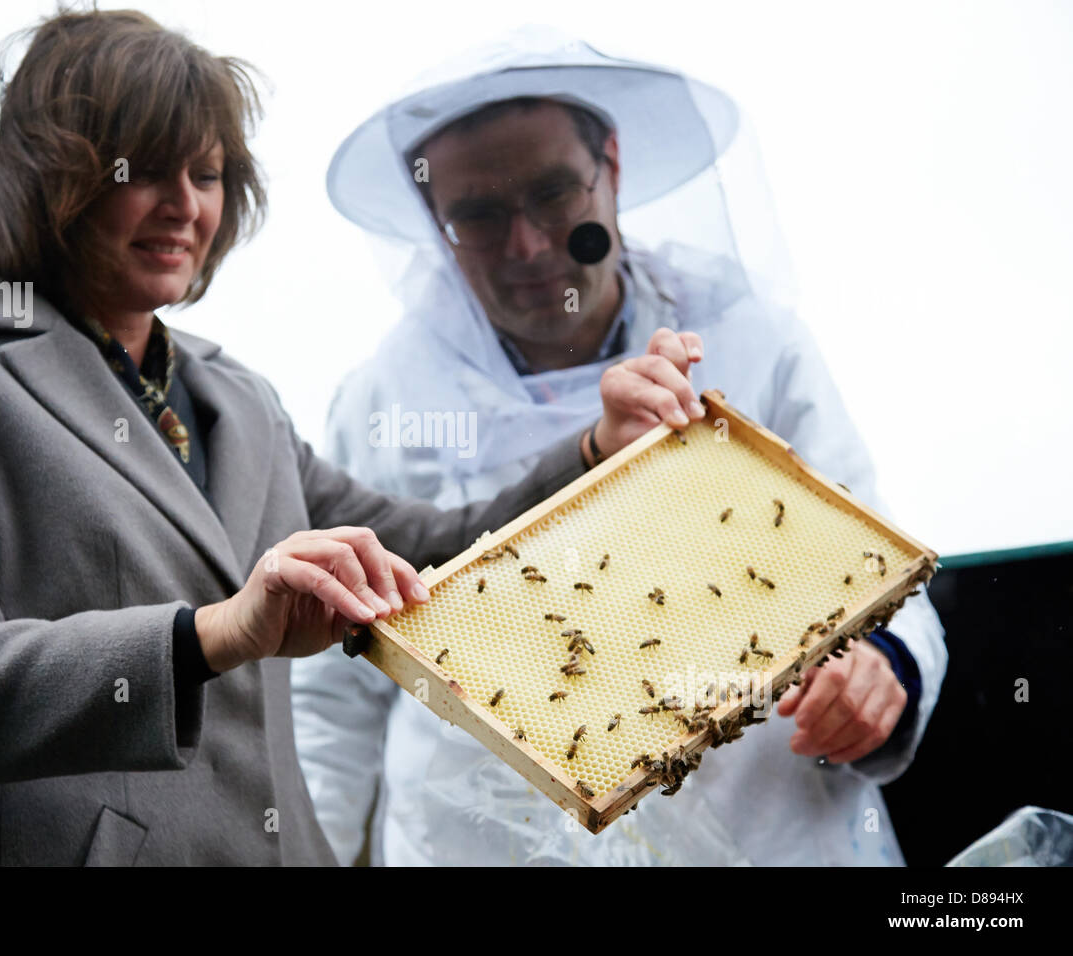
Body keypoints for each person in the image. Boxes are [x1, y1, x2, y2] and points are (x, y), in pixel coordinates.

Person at [0, 11, 687, 866]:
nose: (185, 206)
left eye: (208, 175)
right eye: (143, 171)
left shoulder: (239, 398)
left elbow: (429, 558)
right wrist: (211, 634)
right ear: (49, 174)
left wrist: (592, 452)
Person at [291, 29, 948, 866]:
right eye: (480, 214)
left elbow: (880, 564)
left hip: (764, 828)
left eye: (554, 193)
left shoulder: (753, 341)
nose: (528, 245)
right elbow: (335, 691)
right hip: (481, 841)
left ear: (613, 167)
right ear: (433, 218)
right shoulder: (383, 399)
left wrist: (886, 665)